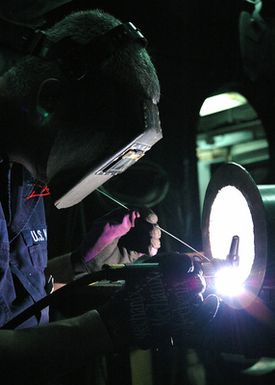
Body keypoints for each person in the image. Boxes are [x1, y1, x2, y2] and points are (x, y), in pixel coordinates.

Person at [0, 5, 218, 385]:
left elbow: (14, 300)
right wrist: (109, 328)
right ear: (49, 102)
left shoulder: (23, 171)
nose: (102, 174)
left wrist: (82, 263)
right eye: (103, 152)